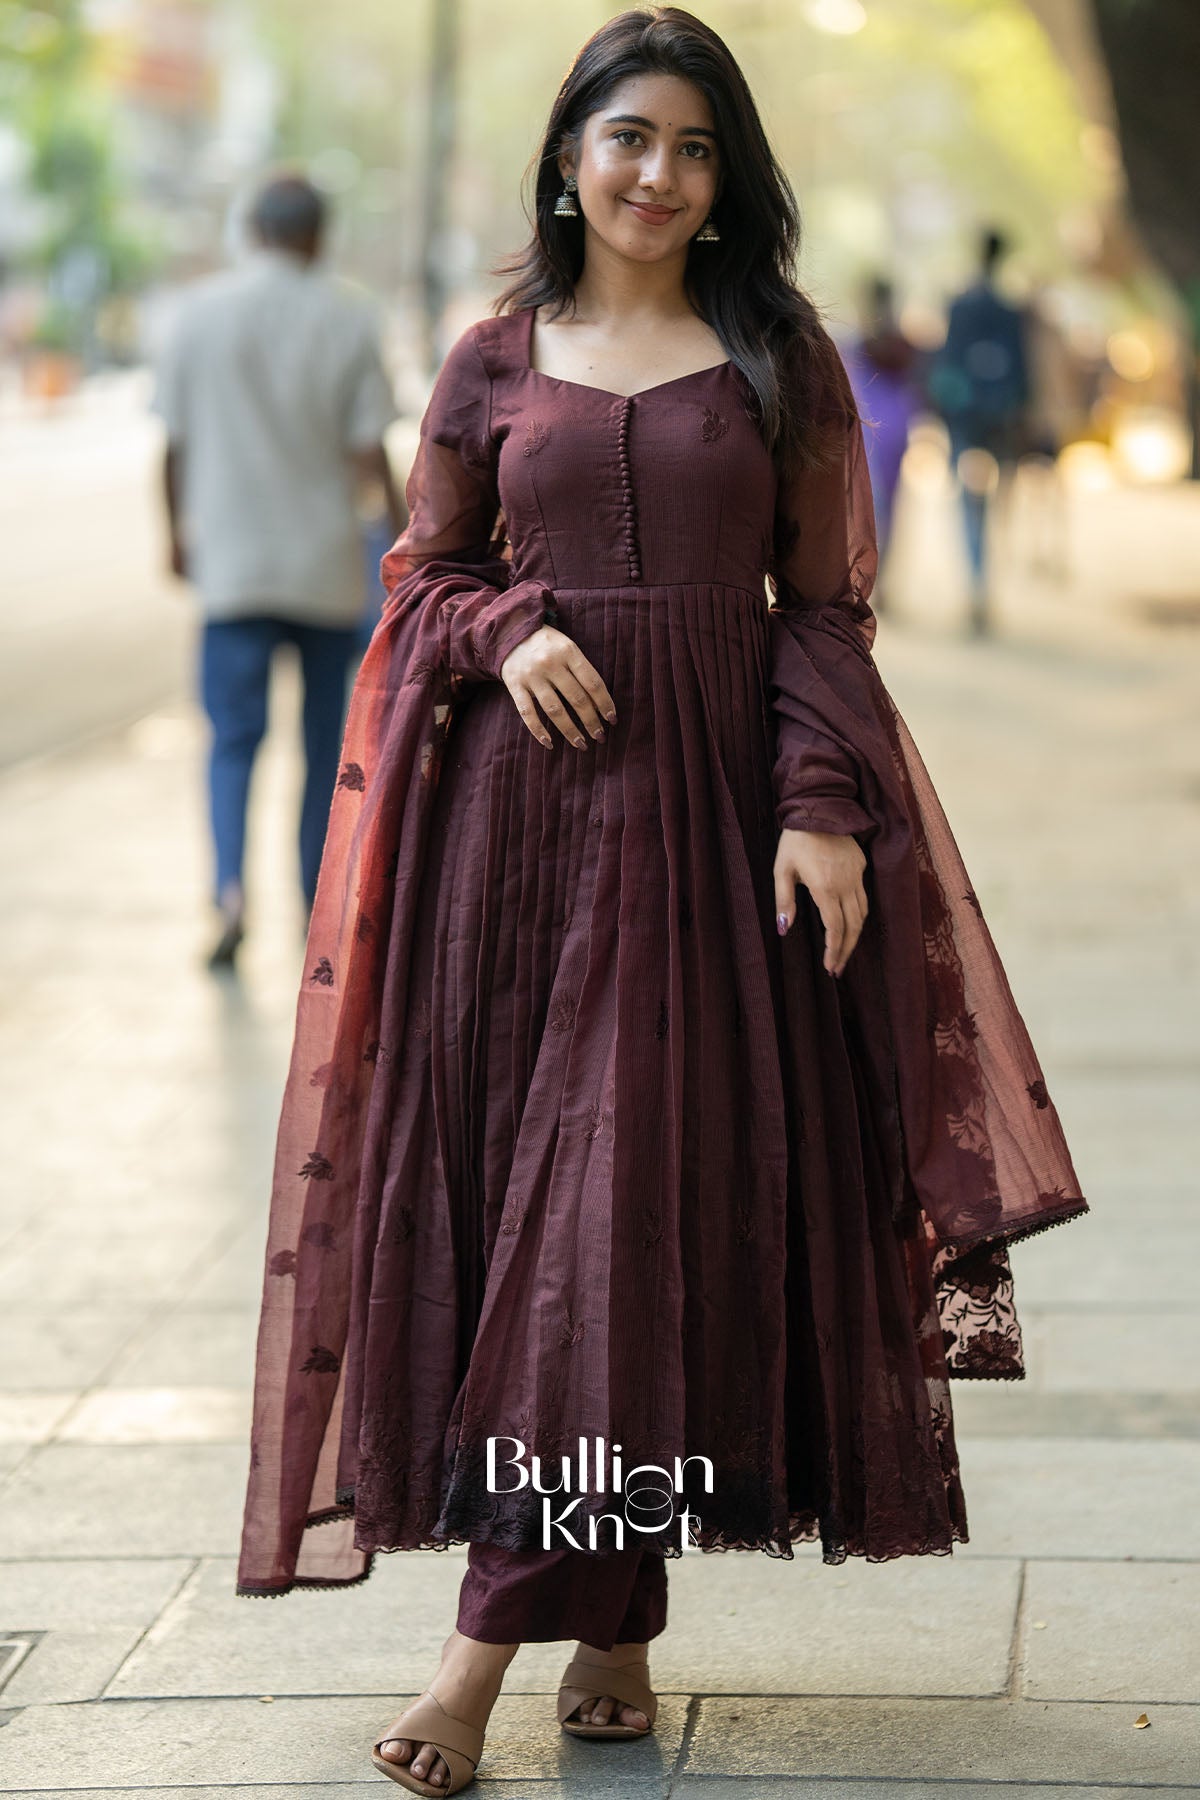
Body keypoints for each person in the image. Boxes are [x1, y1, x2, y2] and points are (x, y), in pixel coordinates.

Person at [235, 12, 1089, 1795]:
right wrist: (505, 626)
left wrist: (825, 808)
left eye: (696, 147)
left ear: (728, 176)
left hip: (706, 843)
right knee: (556, 1218)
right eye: (630, 138)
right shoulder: (491, 357)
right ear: (568, 157)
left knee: (621, 1203)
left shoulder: (774, 354)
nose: (659, 173)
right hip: (513, 857)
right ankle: (612, 1619)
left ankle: (472, 1664)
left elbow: (824, 611)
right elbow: (425, 577)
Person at [152, 171, 403, 967]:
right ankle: (311, 906)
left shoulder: (197, 314)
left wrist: (176, 536)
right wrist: (406, 540)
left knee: (231, 741)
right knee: (324, 748)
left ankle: (228, 895)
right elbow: (370, 452)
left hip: (230, 564)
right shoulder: (349, 315)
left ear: (252, 231)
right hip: (324, 567)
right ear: (319, 237)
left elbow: (174, 445)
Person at [927, 227, 1031, 634]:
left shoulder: (960, 304)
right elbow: (1022, 370)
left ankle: (976, 581)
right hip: (999, 418)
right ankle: (981, 583)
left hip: (966, 419)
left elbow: (947, 361)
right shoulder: (1010, 309)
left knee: (967, 503)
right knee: (994, 503)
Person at [843, 273, 923, 604]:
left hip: (867, 428)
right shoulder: (903, 343)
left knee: (864, 508)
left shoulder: (854, 342)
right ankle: (881, 578)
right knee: (889, 506)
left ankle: (863, 577)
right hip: (896, 429)